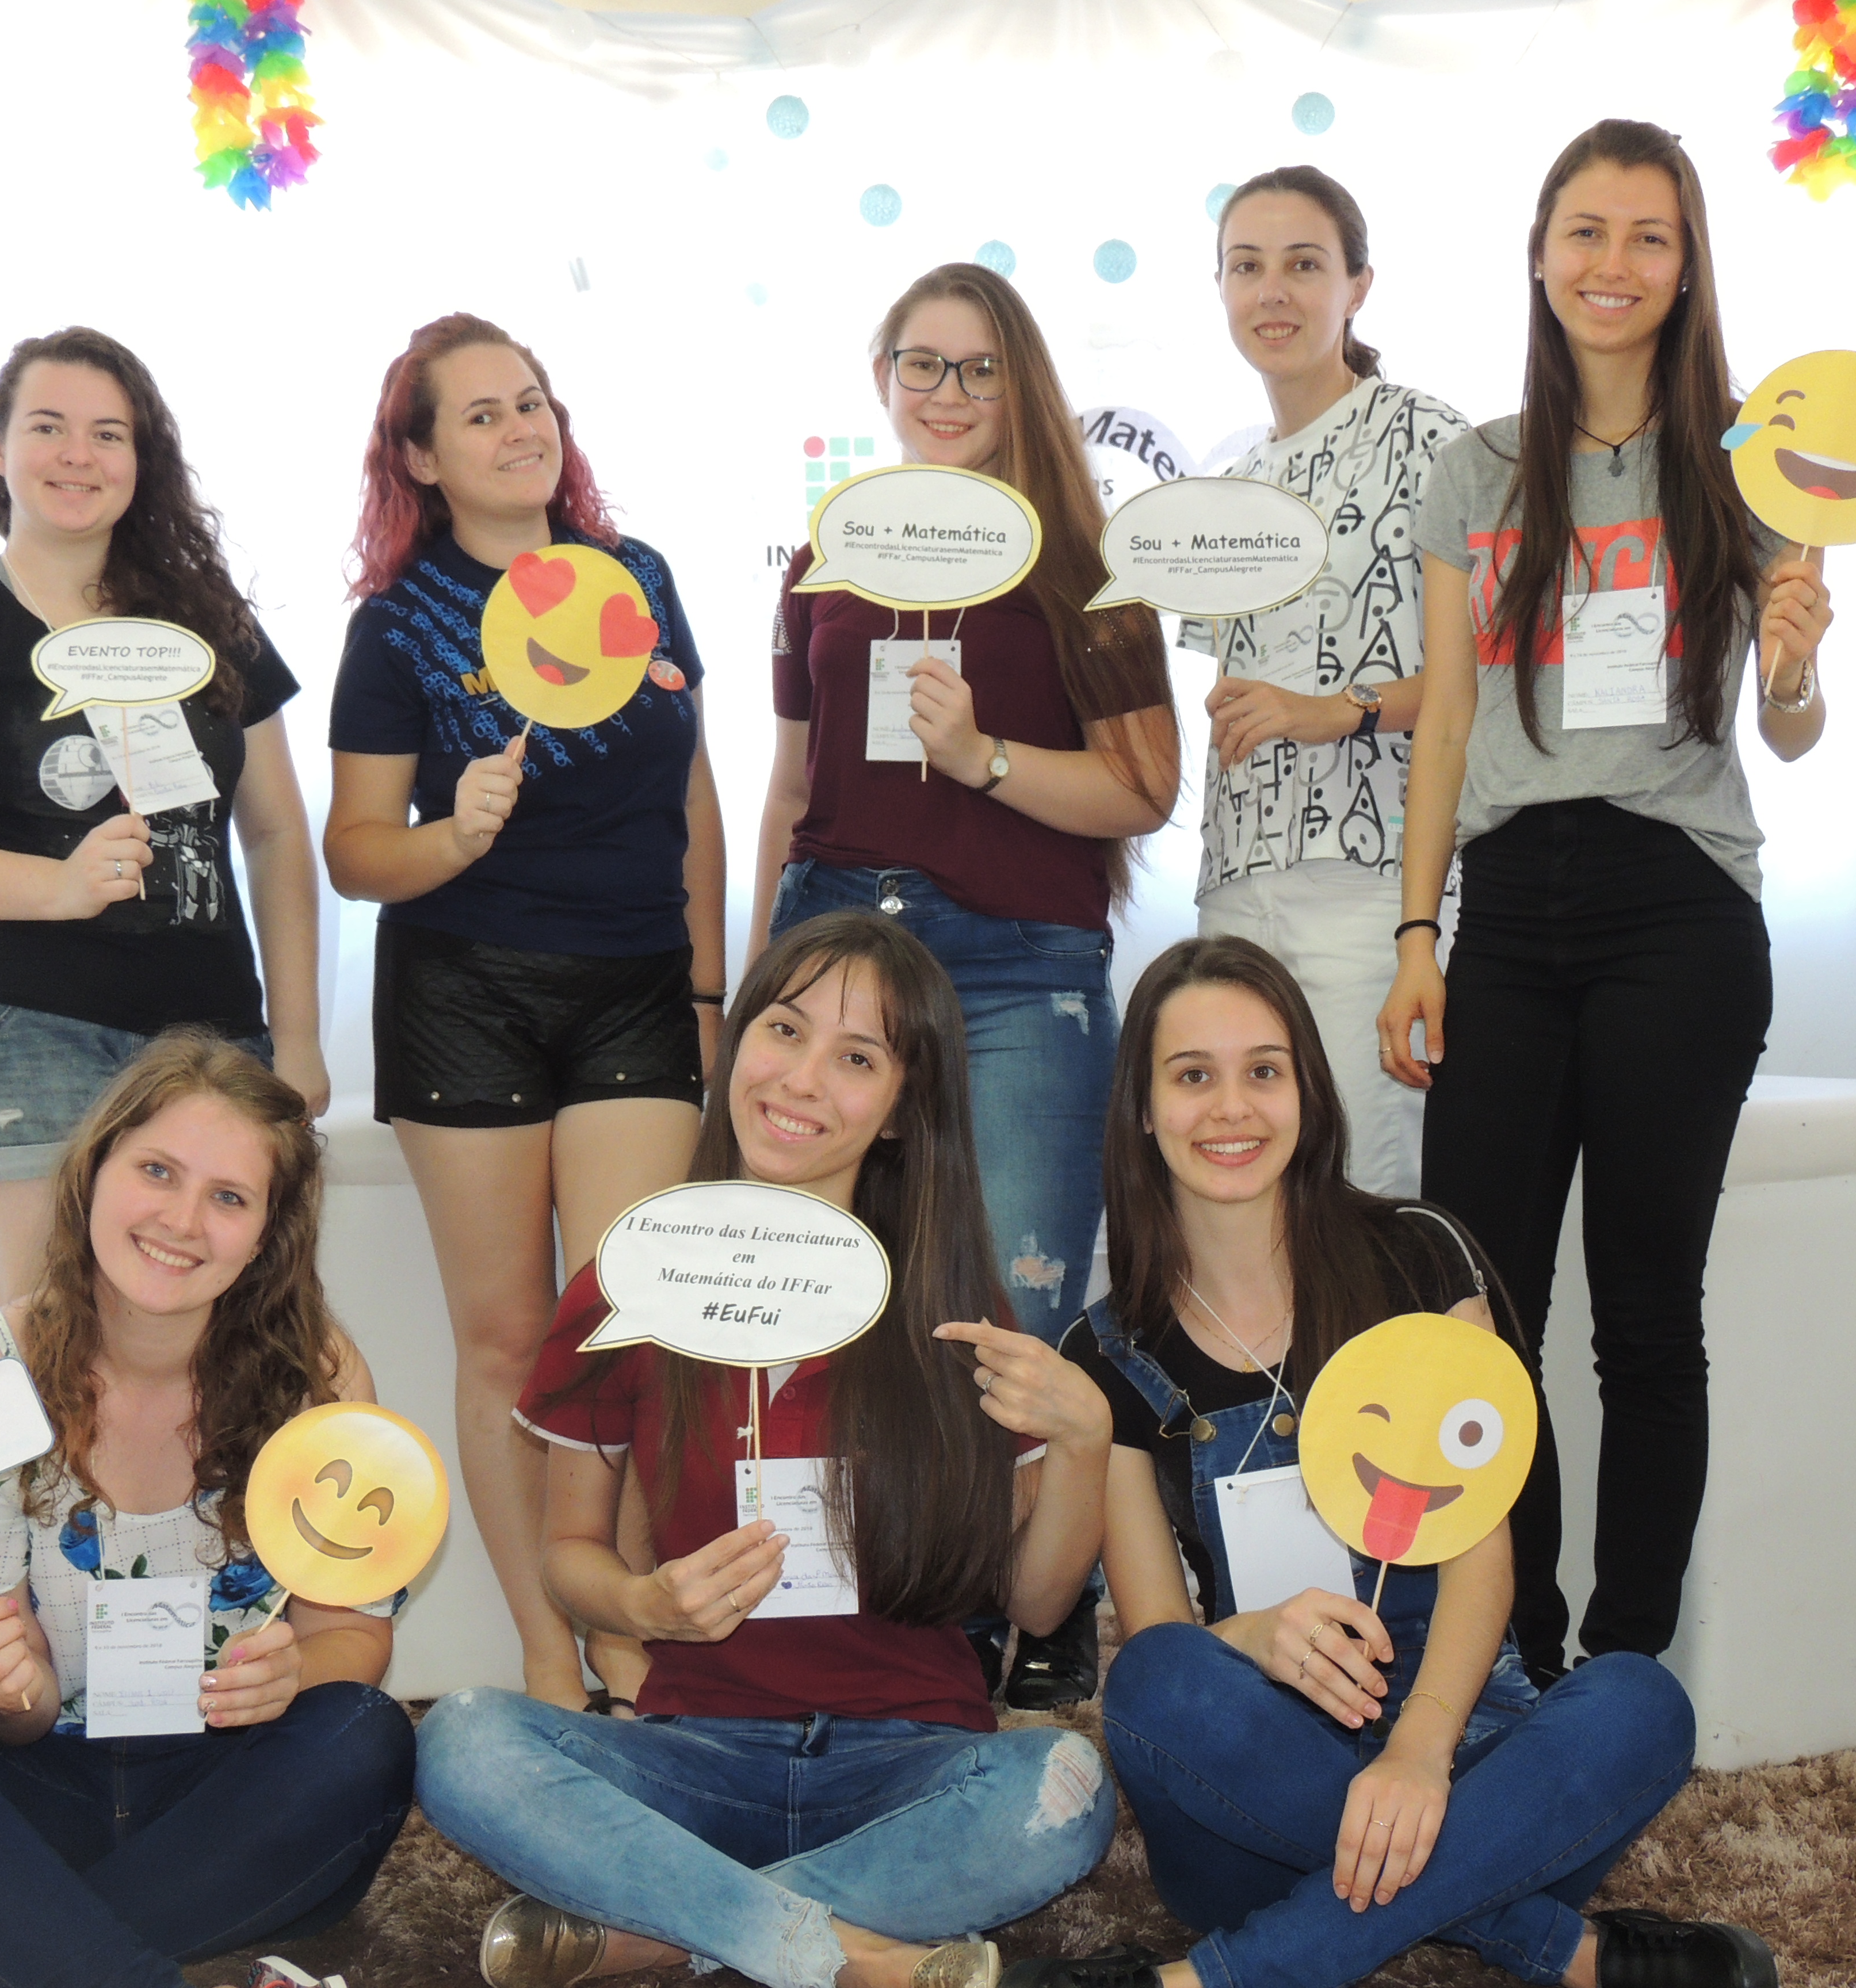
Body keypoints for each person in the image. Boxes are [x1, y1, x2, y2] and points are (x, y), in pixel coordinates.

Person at [1023, 936, 1774, 1988]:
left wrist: (1420, 1751)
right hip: (1261, 1778)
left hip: (1470, 1740)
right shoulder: (1105, 1352)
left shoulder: (1419, 1255)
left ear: (1306, 1090)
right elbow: (1159, 1635)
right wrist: (1255, 1638)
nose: (1232, 1108)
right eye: (1192, 1076)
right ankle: (1556, 1945)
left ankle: (1219, 1977)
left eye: (1264, 1071)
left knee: (1641, 1703)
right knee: (1155, 1683)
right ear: (1142, 1111)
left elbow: (1483, 1556)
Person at [415, 911, 1118, 1988]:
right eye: (785, 1030)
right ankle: (841, 1954)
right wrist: (643, 1606)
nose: (801, 1079)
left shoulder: (953, 1306)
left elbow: (1035, 1600)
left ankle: (669, 1934)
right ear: (737, 1039)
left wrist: (1085, 1441)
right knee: (461, 1738)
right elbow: (569, 1556)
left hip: (912, 1757)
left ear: (904, 1107)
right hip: (692, 1751)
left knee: (1068, 1784)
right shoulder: (628, 1284)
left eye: (858, 1058)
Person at [1376, 120, 1836, 1684]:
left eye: (1649, 235)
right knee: (1483, 1311)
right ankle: (1518, 1655)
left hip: (1676, 907)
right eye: (1586, 230)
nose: (1614, 264)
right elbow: (1447, 720)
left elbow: (1789, 732)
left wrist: (1794, 663)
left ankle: (1627, 1666)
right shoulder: (1478, 469)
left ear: (1689, 265)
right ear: (1539, 254)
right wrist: (1419, 936)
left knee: (1645, 1313)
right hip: (1508, 909)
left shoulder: (1753, 462)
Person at [0, 1034, 416, 1988]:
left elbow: (354, 1638)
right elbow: (10, 1723)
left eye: (229, 1197)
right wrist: (3, 1687)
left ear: (270, 1232)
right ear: (94, 1172)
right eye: (157, 1171)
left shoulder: (322, 1382)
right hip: (39, 1799)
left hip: (231, 1806)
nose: (182, 1220)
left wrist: (296, 1672)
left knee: (364, 1735)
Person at [751, 262, 1177, 1705]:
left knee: (1018, 1304)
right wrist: (749, 993)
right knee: (829, 1296)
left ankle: (1032, 1612)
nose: (947, 393)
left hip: (1016, 968)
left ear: (1022, 386)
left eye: (978, 368)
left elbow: (1144, 788)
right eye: (921, 365)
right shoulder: (826, 557)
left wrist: (983, 759)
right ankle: (862, 1608)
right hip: (833, 951)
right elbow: (792, 787)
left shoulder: (1084, 564)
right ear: (882, 379)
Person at [326, 314, 726, 1712]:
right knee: (506, 1344)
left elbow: (694, 792)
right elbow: (354, 852)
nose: (521, 430)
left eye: (534, 402)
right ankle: (550, 1659)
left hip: (637, 987)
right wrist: (454, 832)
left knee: (625, 1328)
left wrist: (709, 985)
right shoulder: (398, 626)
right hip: (464, 995)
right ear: (423, 459)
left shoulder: (636, 578)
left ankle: (622, 1615)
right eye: (483, 414)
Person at [0, 326, 328, 1310]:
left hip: (212, 1038)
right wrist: (58, 887)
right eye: (48, 427)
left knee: (219, 1348)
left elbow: (277, 833)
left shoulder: (210, 623)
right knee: (54, 1345)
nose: (79, 455)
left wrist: (299, 1037)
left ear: (141, 460)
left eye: (109, 434)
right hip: (18, 1026)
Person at [1187, 167, 1470, 1198]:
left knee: (1366, 1190)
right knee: (1252, 1197)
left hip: (1376, 883)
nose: (1273, 291)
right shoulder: (1229, 488)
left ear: (1358, 286)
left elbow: (1495, 671)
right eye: (1246, 267)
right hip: (1237, 881)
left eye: (1303, 265)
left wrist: (1337, 712)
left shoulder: (1432, 440)